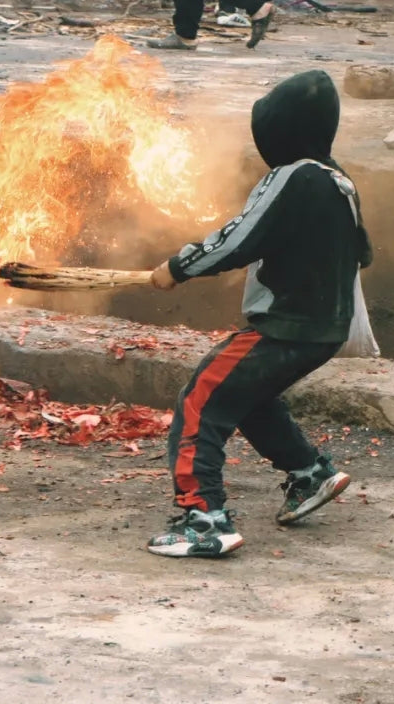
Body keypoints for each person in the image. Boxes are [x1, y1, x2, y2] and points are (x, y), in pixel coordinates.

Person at [147, 69, 368, 558]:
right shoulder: (339, 180)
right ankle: (310, 475)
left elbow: (240, 236)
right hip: (326, 326)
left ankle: (203, 518)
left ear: (279, 131)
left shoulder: (291, 175)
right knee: (246, 396)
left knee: (201, 399)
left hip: (287, 323)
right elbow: (361, 254)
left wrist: (178, 267)